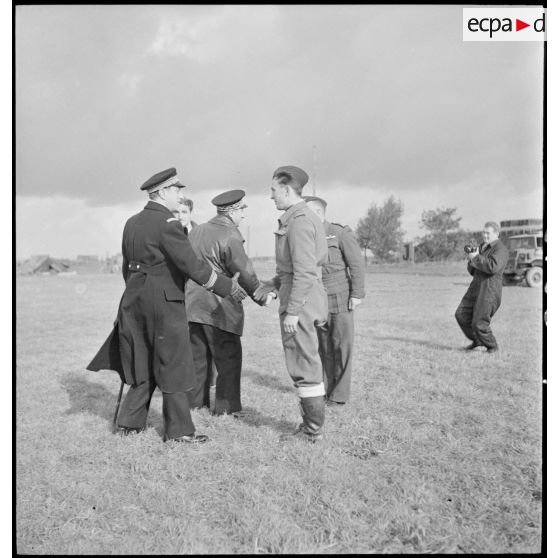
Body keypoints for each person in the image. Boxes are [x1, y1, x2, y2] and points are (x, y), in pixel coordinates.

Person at [86, 168, 247, 443]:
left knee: (142, 360)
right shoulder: (169, 223)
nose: (181, 195)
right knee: (174, 363)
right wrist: (226, 286)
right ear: (162, 193)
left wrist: (140, 291)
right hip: (164, 302)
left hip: (133, 300)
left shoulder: (131, 222)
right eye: (177, 191)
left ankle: (129, 423)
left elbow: (128, 268)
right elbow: (191, 264)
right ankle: (179, 432)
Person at [253, 166, 328, 442]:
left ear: (286, 189)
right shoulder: (299, 218)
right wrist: (273, 284)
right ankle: (310, 427)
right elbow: (292, 269)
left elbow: (305, 272)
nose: (271, 196)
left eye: (273, 190)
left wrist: (293, 311)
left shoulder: (298, 222)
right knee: (303, 361)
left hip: (302, 302)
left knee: (304, 364)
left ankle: (312, 431)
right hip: (303, 295)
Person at [186, 189, 265, 415]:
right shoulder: (230, 235)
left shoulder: (196, 231)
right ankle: (227, 408)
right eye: (242, 210)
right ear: (232, 211)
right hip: (220, 306)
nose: (243, 215)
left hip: (192, 305)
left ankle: (196, 404)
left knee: (198, 357)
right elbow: (244, 271)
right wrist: (261, 294)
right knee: (228, 357)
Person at [303, 196, 365, 407]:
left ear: (319, 213)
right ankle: (325, 389)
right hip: (317, 298)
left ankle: (339, 395)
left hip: (340, 296)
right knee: (323, 347)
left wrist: (357, 294)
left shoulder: (339, 233)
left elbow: (356, 265)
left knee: (342, 346)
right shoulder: (306, 234)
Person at [455, 221, 509, 353]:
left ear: (496, 233)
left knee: (479, 323)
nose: (484, 235)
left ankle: (492, 346)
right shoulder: (483, 247)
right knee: (461, 314)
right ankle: (478, 341)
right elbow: (472, 271)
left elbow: (492, 267)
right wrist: (471, 258)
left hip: (489, 290)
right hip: (476, 286)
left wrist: (476, 257)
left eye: (487, 233)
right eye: (483, 232)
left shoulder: (501, 249)